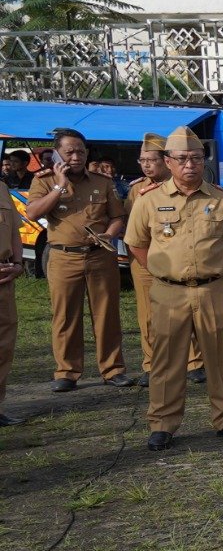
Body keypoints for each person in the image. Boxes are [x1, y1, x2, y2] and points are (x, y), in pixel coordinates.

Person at [123, 127, 223, 451]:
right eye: (181, 159)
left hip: (213, 291)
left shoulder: (222, 201)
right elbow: (136, 244)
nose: (189, 165)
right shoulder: (148, 201)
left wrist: (213, 270)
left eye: (195, 158)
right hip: (169, 292)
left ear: (203, 160)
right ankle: (163, 424)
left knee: (221, 357)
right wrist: (163, 271)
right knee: (166, 360)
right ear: (168, 161)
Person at [24, 128, 134, 392]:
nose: (76, 157)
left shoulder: (102, 181)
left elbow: (117, 216)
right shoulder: (45, 180)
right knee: (65, 317)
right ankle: (67, 372)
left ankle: (112, 369)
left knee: (106, 314)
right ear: (56, 154)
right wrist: (59, 186)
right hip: (63, 257)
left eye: (81, 152)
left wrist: (109, 233)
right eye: (69, 152)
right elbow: (32, 213)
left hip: (99, 257)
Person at [125, 133, 206, 388]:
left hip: (181, 264)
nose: (147, 165)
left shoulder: (188, 186)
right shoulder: (138, 190)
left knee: (190, 314)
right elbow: (134, 234)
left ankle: (194, 362)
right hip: (146, 262)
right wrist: (152, 266)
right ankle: (151, 364)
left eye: (152, 160)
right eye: (142, 160)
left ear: (166, 160)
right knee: (149, 317)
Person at [0, 173, 21, 426]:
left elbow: (14, 229)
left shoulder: (2, 188)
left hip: (5, 278)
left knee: (3, 345)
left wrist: (17, 263)